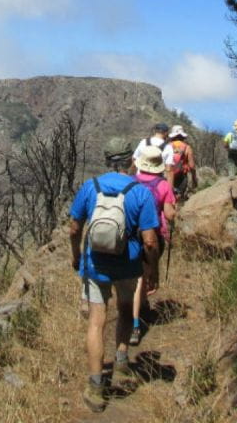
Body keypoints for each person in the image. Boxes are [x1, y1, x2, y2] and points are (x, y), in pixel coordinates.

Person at [70, 138, 160, 413]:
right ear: (131, 161)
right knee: (124, 311)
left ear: (107, 161)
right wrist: (152, 270)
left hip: (95, 264)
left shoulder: (90, 187)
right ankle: (121, 360)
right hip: (128, 265)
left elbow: (74, 228)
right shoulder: (140, 192)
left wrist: (76, 256)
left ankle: (96, 386)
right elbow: (150, 241)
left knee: (96, 322)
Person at [130, 145, 176, 346]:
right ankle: (135, 323)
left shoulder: (131, 182)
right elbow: (169, 214)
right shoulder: (163, 185)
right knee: (142, 276)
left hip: (132, 233)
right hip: (153, 234)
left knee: (136, 275)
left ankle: (141, 307)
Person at [130, 122, 175, 189]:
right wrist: (170, 189)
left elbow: (134, 159)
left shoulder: (144, 142)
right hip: (156, 183)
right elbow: (169, 169)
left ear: (155, 131)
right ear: (166, 133)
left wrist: (131, 176)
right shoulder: (168, 147)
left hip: (139, 180)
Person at [167, 124, 198, 201]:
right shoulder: (187, 147)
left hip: (168, 175)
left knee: (168, 197)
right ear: (183, 136)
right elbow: (192, 166)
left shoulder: (167, 146)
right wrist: (194, 179)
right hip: (181, 176)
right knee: (179, 198)